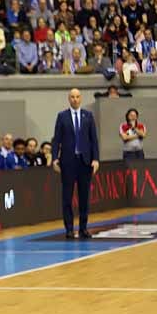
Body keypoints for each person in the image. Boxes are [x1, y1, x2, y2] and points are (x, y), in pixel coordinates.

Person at [51, 88, 99, 239]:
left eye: (77, 97)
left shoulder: (88, 116)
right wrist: (54, 158)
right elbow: (56, 139)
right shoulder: (62, 116)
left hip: (84, 162)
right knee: (67, 197)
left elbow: (94, 140)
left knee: (84, 197)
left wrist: (96, 159)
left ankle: (84, 228)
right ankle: (69, 229)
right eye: (72, 97)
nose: (75, 99)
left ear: (81, 98)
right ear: (68, 99)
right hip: (68, 162)